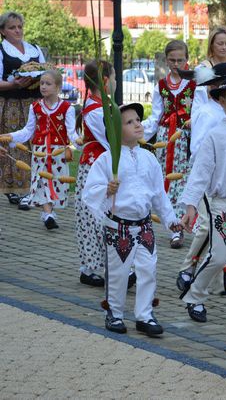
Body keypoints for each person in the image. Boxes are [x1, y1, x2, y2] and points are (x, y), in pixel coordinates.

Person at [82, 102, 181, 337]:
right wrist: (106, 189)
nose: (137, 124)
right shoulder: (107, 160)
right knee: (118, 273)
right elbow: (90, 191)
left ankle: (145, 314)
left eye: (138, 119)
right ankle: (115, 312)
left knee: (148, 269)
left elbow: (159, 194)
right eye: (129, 122)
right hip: (120, 227)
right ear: (115, 131)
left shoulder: (148, 158)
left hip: (144, 226)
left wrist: (171, 221)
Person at [178, 75, 226, 322]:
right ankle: (195, 295)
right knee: (219, 256)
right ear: (221, 101)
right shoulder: (216, 135)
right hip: (224, 206)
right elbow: (200, 172)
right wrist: (190, 204)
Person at [0, 70, 79, 229]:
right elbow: (28, 131)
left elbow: (71, 131)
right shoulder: (35, 107)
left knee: (56, 181)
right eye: (42, 83)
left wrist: (80, 142)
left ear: (57, 87)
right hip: (40, 152)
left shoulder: (66, 108)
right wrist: (9, 136)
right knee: (42, 181)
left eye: (48, 84)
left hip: (58, 153)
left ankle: (50, 212)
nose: (43, 87)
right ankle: (48, 214)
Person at [142, 40, 197, 249]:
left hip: (185, 137)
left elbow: (199, 111)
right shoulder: (161, 85)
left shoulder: (194, 85)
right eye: (172, 60)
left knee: (183, 182)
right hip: (166, 138)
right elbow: (157, 116)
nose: (176, 64)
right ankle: (172, 227)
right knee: (165, 181)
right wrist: (140, 136)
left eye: (180, 60)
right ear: (166, 61)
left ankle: (181, 225)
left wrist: (194, 123)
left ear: (187, 60)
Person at [75, 60, 115, 288]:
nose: (117, 82)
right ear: (106, 81)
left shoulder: (99, 105)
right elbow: (110, 141)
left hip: (99, 165)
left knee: (104, 213)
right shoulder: (96, 110)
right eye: (115, 78)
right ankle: (89, 268)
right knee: (91, 215)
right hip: (94, 168)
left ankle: (111, 265)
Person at [0, 11, 46, 208]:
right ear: (3, 31)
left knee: (35, 144)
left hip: (34, 103)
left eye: (19, 26)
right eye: (12, 27)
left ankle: (34, 187)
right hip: (11, 103)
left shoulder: (34, 49)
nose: (17, 30)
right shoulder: (1, 51)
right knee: (14, 144)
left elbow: (47, 71)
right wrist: (13, 85)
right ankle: (13, 189)